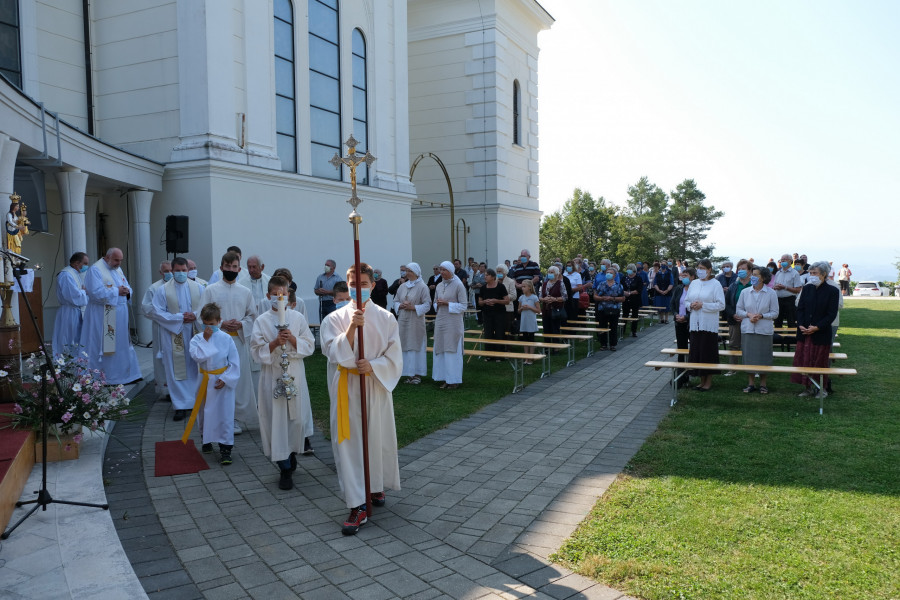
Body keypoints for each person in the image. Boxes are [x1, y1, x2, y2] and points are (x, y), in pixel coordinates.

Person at [320, 263, 402, 535]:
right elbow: (335, 353)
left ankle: (375, 485)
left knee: (376, 439)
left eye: (363, 283)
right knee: (351, 445)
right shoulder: (334, 319)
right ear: (347, 284)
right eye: (353, 283)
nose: (358, 288)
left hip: (374, 384)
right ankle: (357, 504)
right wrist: (352, 329)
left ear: (373, 284)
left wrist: (375, 366)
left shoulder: (386, 317)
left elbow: (395, 356)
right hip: (348, 388)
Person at [250, 276, 316, 490]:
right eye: (276, 295)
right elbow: (255, 351)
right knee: (275, 421)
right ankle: (284, 468)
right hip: (272, 374)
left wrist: (292, 340)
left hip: (295, 373)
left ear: (289, 295)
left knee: (295, 421)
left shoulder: (297, 318)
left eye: (284, 294)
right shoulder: (261, 321)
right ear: (269, 296)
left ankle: (291, 452)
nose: (280, 298)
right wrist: (274, 343)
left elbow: (309, 345)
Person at [200, 251, 257, 434]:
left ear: (239, 269)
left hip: (238, 342)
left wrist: (241, 324)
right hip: (217, 345)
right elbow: (200, 316)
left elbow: (252, 315)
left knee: (238, 382)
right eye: (227, 266)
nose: (231, 269)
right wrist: (221, 323)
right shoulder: (211, 290)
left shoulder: (245, 291)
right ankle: (221, 417)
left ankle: (236, 418)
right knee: (220, 381)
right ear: (221, 267)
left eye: (234, 267)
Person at [151, 257, 204, 421]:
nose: (181, 273)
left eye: (184, 270)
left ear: (188, 270)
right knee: (176, 368)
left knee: (195, 366)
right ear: (172, 271)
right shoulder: (162, 290)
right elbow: (157, 312)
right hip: (174, 332)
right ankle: (180, 405)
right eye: (177, 271)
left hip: (195, 330)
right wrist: (180, 317)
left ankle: (196, 401)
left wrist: (195, 315)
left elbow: (206, 307)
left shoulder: (199, 288)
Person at [80, 248, 142, 385]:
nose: (118, 263)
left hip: (119, 313)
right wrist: (116, 291)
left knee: (120, 344)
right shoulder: (95, 270)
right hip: (102, 314)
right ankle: (105, 376)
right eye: (116, 260)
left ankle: (123, 375)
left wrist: (127, 291)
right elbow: (95, 293)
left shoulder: (117, 269)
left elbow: (126, 285)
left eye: (120, 260)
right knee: (104, 345)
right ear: (107, 257)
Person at [189, 302, 240, 465]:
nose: (208, 327)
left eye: (212, 324)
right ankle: (206, 439)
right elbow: (197, 356)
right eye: (205, 324)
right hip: (205, 380)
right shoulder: (197, 338)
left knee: (224, 414)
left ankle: (226, 449)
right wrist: (205, 340)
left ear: (219, 321)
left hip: (222, 380)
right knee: (205, 413)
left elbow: (234, 362)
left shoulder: (226, 338)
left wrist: (225, 379)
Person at [792, 261, 840, 398]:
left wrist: (817, 327)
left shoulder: (832, 291)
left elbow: (831, 314)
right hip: (804, 331)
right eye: (810, 273)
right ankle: (806, 387)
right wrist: (800, 324)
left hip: (821, 332)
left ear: (824, 274)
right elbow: (800, 308)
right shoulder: (807, 289)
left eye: (815, 273)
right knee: (804, 360)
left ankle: (821, 388)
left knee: (819, 362)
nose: (812, 275)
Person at [735, 266, 779, 394]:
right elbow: (739, 310)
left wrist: (761, 316)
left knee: (764, 356)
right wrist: (749, 315)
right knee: (749, 356)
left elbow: (775, 313)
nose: (753, 277)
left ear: (763, 277)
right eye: (752, 274)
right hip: (748, 328)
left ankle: (763, 384)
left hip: (764, 329)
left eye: (756, 275)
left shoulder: (771, 293)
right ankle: (750, 383)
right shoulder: (745, 292)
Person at [684, 259, 726, 391]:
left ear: (709, 270)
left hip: (708, 324)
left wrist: (703, 305)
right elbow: (686, 300)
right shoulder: (694, 283)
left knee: (707, 352)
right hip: (695, 323)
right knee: (697, 352)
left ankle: (708, 381)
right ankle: (701, 380)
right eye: (698, 268)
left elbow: (721, 305)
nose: (699, 270)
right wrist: (691, 305)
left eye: (702, 268)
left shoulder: (716, 284)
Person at [432, 260, 468, 389]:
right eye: (440, 269)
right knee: (442, 348)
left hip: (453, 322)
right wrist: (438, 304)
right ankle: (445, 378)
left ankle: (454, 380)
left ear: (451, 271)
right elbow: (434, 303)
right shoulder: (439, 286)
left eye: (444, 270)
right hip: (441, 319)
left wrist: (448, 304)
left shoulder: (458, 285)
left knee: (452, 349)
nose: (441, 272)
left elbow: (464, 306)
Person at [393, 262, 430, 384]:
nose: (407, 273)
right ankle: (408, 373)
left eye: (410, 271)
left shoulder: (422, 287)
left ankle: (417, 374)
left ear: (416, 273)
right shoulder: (402, 286)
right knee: (405, 344)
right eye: (406, 271)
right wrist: (400, 305)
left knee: (415, 345)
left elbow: (427, 305)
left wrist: (414, 307)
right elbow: (396, 301)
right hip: (403, 320)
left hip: (415, 321)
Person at [141, 260, 172, 398]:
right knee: (162, 359)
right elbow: (146, 307)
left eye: (171, 270)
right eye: (166, 271)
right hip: (161, 328)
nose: (169, 273)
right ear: (160, 273)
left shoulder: (180, 286)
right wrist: (164, 314)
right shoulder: (154, 288)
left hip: (177, 329)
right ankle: (165, 390)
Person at [52, 252, 89, 358]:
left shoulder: (75, 273)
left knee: (77, 339)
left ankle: (78, 365)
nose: (86, 266)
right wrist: (84, 292)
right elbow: (72, 296)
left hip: (76, 311)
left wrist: (83, 291)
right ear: (77, 263)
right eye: (85, 263)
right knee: (68, 339)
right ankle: (66, 366)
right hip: (69, 311)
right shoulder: (66, 274)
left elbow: (80, 292)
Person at [722, 259, 753, 374]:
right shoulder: (733, 285)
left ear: (750, 271)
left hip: (750, 320)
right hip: (735, 320)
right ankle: (733, 368)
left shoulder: (754, 285)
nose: (740, 271)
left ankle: (751, 369)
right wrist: (734, 314)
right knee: (734, 344)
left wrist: (746, 315)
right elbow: (727, 304)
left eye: (743, 269)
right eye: (739, 269)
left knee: (750, 345)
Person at [671, 268, 695, 388]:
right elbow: (673, 304)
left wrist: (686, 317)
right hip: (678, 322)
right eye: (682, 275)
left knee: (694, 348)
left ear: (692, 277)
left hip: (691, 323)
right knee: (681, 348)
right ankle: (681, 375)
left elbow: (696, 308)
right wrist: (676, 315)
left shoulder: (696, 290)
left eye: (685, 275)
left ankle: (692, 372)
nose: (683, 277)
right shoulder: (679, 289)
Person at [478, 268, 510, 357]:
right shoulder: (483, 288)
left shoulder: (500, 286)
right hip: (487, 314)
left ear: (493, 277)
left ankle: (499, 354)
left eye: (487, 275)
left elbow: (507, 301)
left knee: (499, 333)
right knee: (488, 333)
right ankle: (489, 354)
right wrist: (485, 302)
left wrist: (496, 301)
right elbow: (480, 302)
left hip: (499, 313)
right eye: (485, 275)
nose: (485, 277)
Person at [593, 266, 625, 351]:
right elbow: (595, 296)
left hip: (614, 309)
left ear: (614, 275)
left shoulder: (618, 286)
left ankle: (613, 344)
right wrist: (602, 298)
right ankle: (603, 344)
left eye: (611, 273)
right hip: (602, 308)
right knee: (602, 326)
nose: (608, 274)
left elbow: (622, 298)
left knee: (613, 327)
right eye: (607, 273)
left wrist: (612, 298)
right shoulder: (601, 284)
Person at [773, 253, 803, 328]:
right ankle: (777, 338)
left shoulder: (794, 273)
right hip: (778, 300)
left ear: (790, 261)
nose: (782, 262)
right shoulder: (778, 273)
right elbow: (774, 285)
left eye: (784, 260)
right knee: (777, 321)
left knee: (791, 321)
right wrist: (776, 287)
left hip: (790, 300)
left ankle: (791, 338)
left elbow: (798, 289)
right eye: (781, 260)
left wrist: (785, 287)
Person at [540, 265, 567, 335]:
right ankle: (546, 345)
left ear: (556, 274)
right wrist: (544, 299)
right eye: (549, 272)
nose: (550, 273)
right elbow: (539, 297)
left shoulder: (560, 283)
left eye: (552, 272)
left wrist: (554, 299)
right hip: (545, 311)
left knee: (555, 330)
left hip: (555, 311)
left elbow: (565, 297)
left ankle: (555, 345)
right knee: (546, 330)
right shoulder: (544, 284)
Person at [517, 280, 540, 363]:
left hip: (531, 320)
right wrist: (522, 308)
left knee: (531, 339)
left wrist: (529, 307)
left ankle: (531, 357)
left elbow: (538, 310)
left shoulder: (534, 297)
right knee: (525, 339)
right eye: (522, 286)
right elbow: (518, 311)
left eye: (524, 286)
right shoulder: (521, 297)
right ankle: (526, 357)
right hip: (524, 320)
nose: (522, 288)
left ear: (529, 288)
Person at [620, 263, 643, 338]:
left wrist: (630, 293)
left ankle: (634, 331)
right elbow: (620, 287)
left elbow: (639, 289)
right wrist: (624, 292)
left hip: (635, 299)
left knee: (634, 315)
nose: (628, 271)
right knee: (625, 314)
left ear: (634, 270)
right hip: (625, 299)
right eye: (628, 269)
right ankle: (622, 330)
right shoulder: (624, 278)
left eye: (630, 269)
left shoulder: (638, 278)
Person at [495, 264, 517, 334]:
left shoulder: (510, 281)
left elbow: (514, 296)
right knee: (498, 328)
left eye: (500, 272)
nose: (498, 273)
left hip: (507, 309)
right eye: (497, 271)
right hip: (497, 308)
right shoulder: (495, 281)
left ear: (504, 272)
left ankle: (508, 344)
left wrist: (504, 298)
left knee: (507, 329)